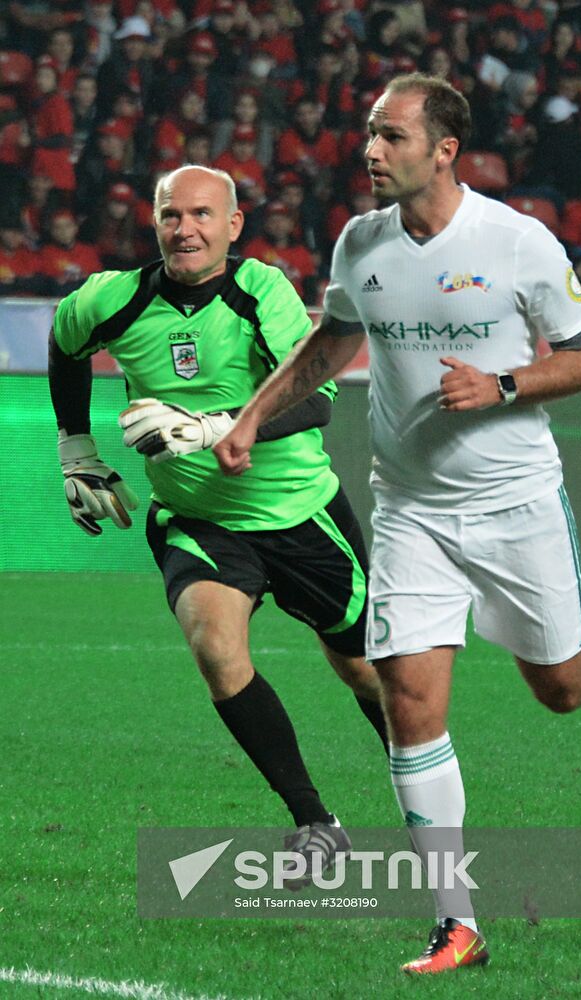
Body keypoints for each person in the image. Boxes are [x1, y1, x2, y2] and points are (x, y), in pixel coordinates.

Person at [214, 73, 581, 975]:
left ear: (444, 150)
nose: (370, 151)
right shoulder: (361, 242)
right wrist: (254, 415)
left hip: (513, 503)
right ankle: (455, 922)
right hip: (409, 508)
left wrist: (500, 385)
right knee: (409, 704)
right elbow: (334, 339)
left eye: (390, 136)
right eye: (370, 136)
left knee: (560, 687)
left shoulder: (515, 242)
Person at [47, 164, 388, 884]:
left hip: (297, 513)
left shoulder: (259, 290)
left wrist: (211, 429)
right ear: (156, 222)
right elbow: (64, 344)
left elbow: (318, 396)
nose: (186, 228)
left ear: (233, 226)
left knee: (363, 668)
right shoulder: (112, 299)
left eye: (203, 214)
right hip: (199, 521)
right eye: (172, 214)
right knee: (214, 647)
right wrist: (75, 448)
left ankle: (427, 798)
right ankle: (313, 822)